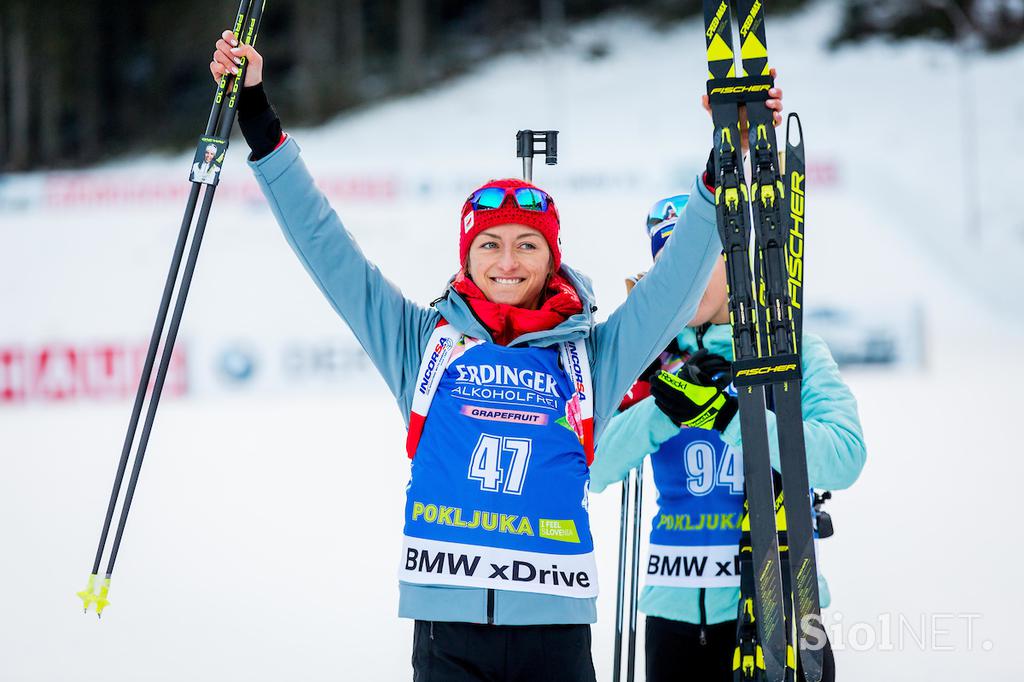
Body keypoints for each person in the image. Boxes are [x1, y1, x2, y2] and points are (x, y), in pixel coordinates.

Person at [209, 31, 782, 681]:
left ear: (551, 258)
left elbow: (676, 284)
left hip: (555, 634)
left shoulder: (591, 358)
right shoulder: (421, 343)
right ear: (467, 257)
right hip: (447, 635)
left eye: (527, 246)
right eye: (490, 245)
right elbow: (324, 245)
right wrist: (255, 112)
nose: (508, 262)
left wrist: (724, 161)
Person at [589, 197, 867, 682]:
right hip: (672, 615)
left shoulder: (788, 347)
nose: (682, 281)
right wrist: (664, 410)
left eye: (699, 263)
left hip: (782, 603)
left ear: (733, 263)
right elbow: (589, 466)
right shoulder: (649, 356)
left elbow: (844, 456)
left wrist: (733, 417)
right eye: (668, 267)